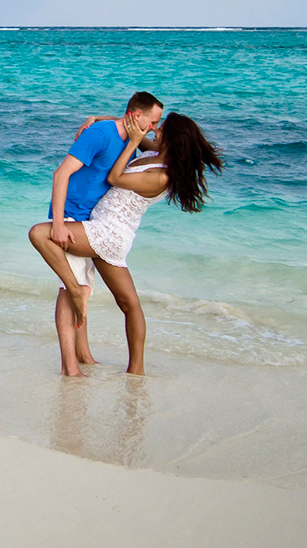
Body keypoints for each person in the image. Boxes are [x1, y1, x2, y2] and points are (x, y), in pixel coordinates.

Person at [28, 111, 224, 377]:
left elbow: (115, 178)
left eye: (161, 127)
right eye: (156, 124)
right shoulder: (155, 152)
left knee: (41, 234)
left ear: (174, 138)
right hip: (105, 231)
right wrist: (99, 119)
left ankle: (78, 294)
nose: (155, 130)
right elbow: (132, 125)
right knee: (129, 304)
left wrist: (132, 143)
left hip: (108, 233)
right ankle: (132, 372)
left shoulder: (161, 176)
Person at [35, 92, 164, 375]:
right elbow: (61, 174)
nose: (155, 128)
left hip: (93, 220)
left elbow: (144, 140)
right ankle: (70, 368)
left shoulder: (132, 138)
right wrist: (58, 223)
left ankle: (84, 355)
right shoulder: (101, 135)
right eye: (153, 121)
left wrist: (97, 115)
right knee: (71, 292)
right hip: (71, 215)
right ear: (136, 117)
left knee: (84, 289)